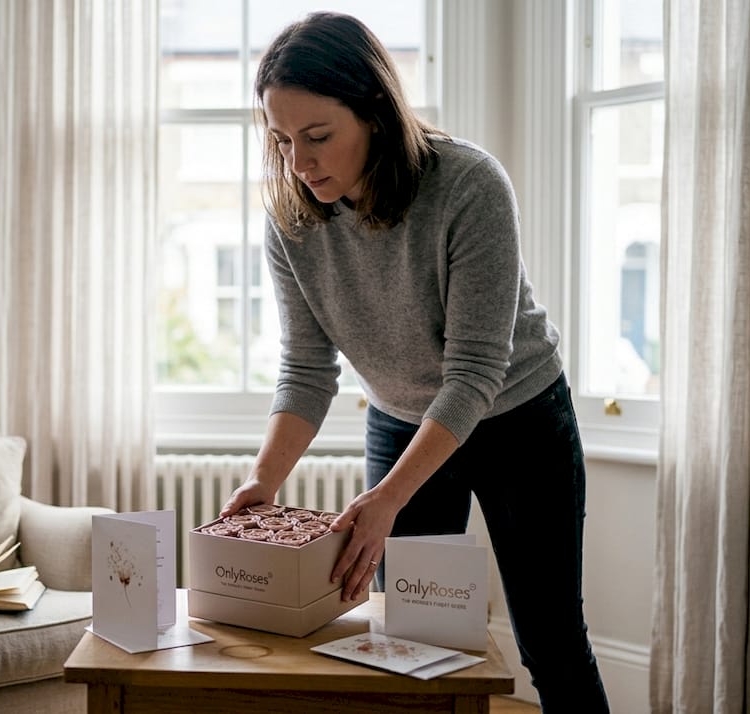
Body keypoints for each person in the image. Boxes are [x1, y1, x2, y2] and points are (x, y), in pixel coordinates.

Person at [218, 11, 610, 711]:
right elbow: (308, 370)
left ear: (374, 111)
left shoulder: (469, 185)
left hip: (518, 417)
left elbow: (475, 374)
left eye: (317, 137)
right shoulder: (291, 217)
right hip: (402, 421)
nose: (298, 164)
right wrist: (262, 481)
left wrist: (386, 502)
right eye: (280, 141)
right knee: (407, 639)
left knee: (549, 639)